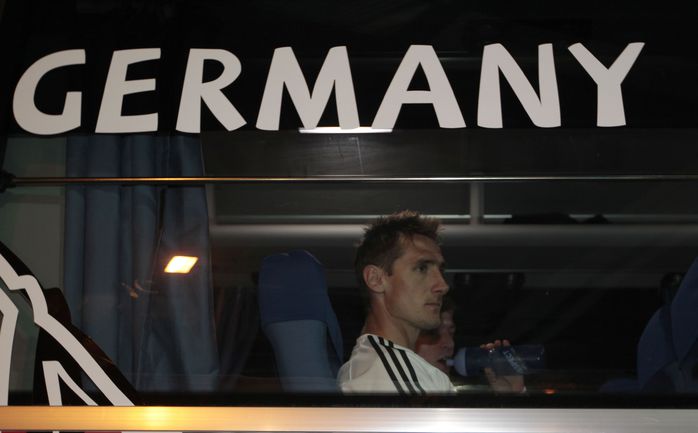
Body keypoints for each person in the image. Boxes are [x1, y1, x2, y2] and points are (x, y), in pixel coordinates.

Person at [337, 210, 524, 394]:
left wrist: (510, 396)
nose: (443, 286)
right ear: (376, 279)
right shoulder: (387, 374)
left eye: (440, 271)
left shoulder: (397, 369)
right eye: (422, 268)